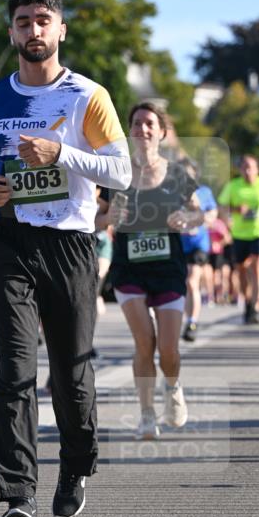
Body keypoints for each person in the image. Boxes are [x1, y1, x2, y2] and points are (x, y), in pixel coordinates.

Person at [0, 0, 131, 517]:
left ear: (60, 30)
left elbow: (121, 171)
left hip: (70, 244)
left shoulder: (87, 96)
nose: (33, 30)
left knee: (70, 372)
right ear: (11, 32)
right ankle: (17, 495)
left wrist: (63, 153)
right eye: (23, 21)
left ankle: (75, 470)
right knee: (14, 369)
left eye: (43, 20)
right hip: (7, 240)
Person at [97, 103, 205, 441]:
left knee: (169, 351)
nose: (142, 129)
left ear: (161, 132)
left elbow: (202, 216)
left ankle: (172, 388)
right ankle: (146, 415)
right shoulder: (117, 175)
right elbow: (95, 220)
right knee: (145, 342)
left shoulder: (176, 174)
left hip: (169, 270)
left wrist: (187, 220)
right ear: (129, 131)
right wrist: (110, 218)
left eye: (149, 123)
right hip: (129, 270)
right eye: (137, 123)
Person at [217, 155, 259, 324]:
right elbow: (222, 205)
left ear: (257, 169)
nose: (247, 170)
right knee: (241, 270)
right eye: (244, 167)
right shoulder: (233, 185)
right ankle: (248, 302)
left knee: (258, 267)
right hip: (239, 234)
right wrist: (235, 210)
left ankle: (256, 307)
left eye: (250, 167)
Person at [180, 164, 218, 342]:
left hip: (199, 244)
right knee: (186, 285)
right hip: (180, 244)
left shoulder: (204, 192)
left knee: (192, 281)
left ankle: (192, 322)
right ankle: (188, 319)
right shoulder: (173, 192)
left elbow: (212, 216)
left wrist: (200, 216)